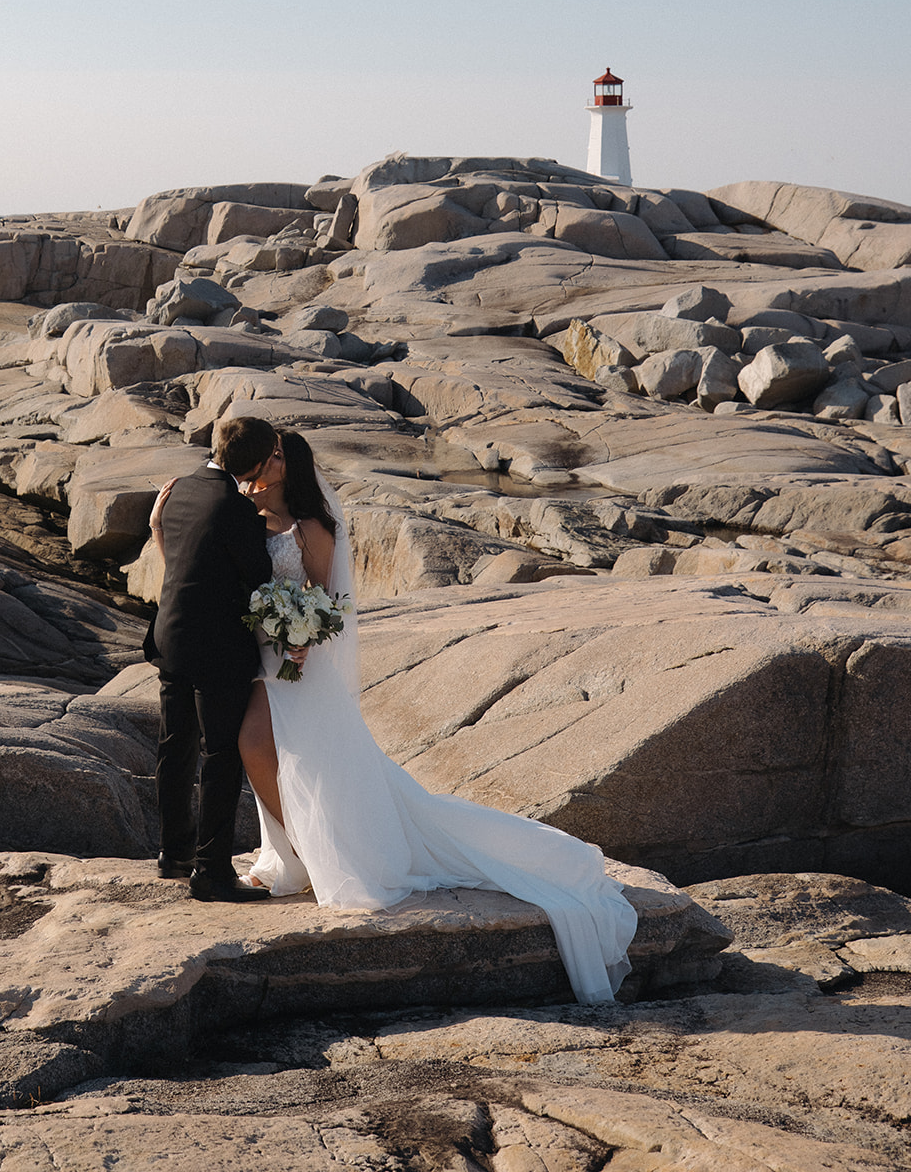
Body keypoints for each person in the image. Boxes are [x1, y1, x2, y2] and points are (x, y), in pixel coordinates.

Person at [233, 429, 639, 1005]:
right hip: (263, 655)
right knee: (260, 747)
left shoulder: (311, 528)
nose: (263, 463)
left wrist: (303, 636)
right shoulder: (243, 510)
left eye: (275, 455)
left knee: (303, 755)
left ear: (288, 466)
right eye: (263, 455)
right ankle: (288, 851)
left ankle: (306, 854)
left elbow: (328, 601)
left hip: (300, 661)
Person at [144, 414, 279, 903]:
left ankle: (172, 852)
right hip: (217, 649)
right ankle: (212, 872)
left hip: (171, 637)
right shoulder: (236, 510)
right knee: (220, 755)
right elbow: (260, 573)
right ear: (260, 464)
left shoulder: (179, 489)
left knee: (174, 746)